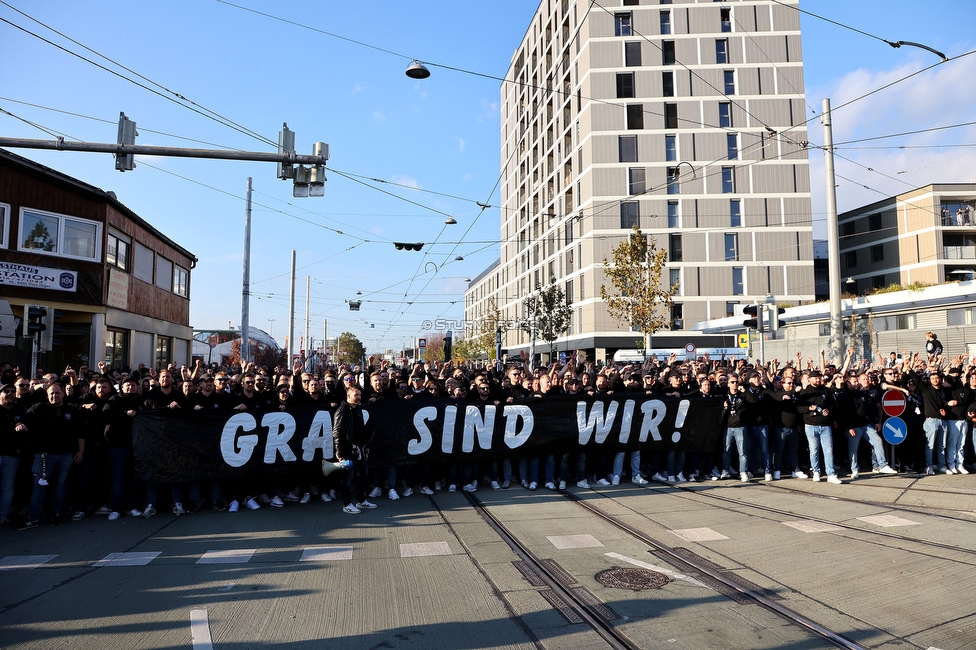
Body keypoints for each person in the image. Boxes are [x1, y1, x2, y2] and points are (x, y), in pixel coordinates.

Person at [20, 382, 86, 529]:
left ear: (63, 394)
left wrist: (81, 451)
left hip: (65, 456)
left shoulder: (71, 411)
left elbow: (79, 434)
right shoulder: (38, 408)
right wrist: (20, 424)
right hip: (43, 455)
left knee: (60, 486)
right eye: (51, 393)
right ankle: (33, 518)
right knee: (39, 487)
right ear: (47, 395)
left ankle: (55, 514)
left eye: (57, 393)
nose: (54, 396)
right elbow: (23, 419)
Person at [333, 385, 375, 514]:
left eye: (359, 395)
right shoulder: (342, 411)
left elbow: (361, 430)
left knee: (363, 476)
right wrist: (339, 452)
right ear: (348, 396)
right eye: (355, 395)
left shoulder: (359, 409)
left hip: (361, 450)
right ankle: (347, 504)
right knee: (347, 478)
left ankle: (361, 500)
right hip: (348, 451)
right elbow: (337, 432)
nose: (358, 397)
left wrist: (366, 445)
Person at [796, 370, 842, 484]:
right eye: (815, 378)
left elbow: (834, 405)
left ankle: (830, 474)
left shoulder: (826, 391)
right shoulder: (804, 392)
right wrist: (809, 408)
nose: (818, 380)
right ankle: (816, 471)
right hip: (811, 425)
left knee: (829, 450)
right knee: (814, 450)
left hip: (825, 425)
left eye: (819, 377)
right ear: (810, 379)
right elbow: (799, 408)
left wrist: (829, 410)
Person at [0, 383, 27, 525]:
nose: (10, 393)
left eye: (12, 391)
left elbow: (26, 430)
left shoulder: (19, 411)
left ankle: (2, 516)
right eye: (6, 391)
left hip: (11, 456)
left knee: (7, 487)